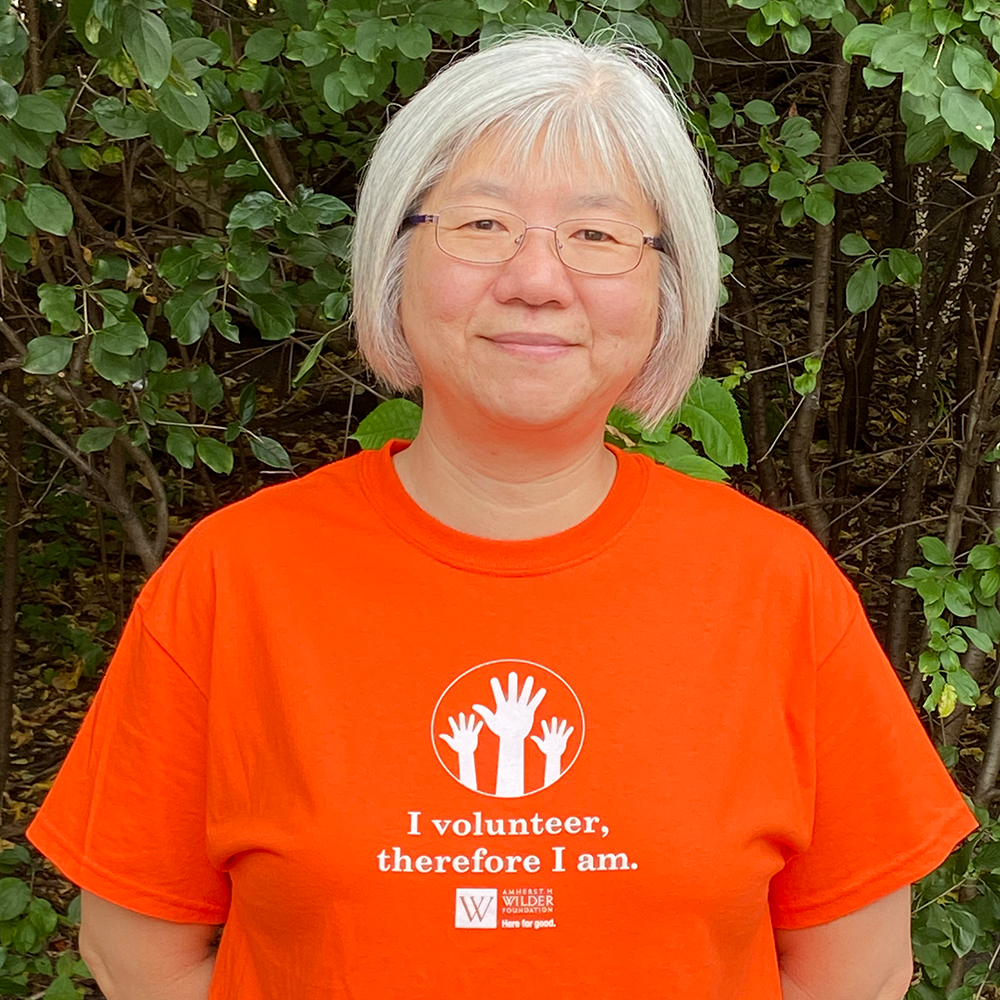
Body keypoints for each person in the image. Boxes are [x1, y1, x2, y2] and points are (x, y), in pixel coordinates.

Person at [28, 31, 976, 1000]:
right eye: (480, 224)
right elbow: (135, 950)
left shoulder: (776, 586)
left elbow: (853, 971)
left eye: (596, 234)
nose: (535, 277)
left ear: (666, 284)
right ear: (393, 264)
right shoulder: (237, 574)